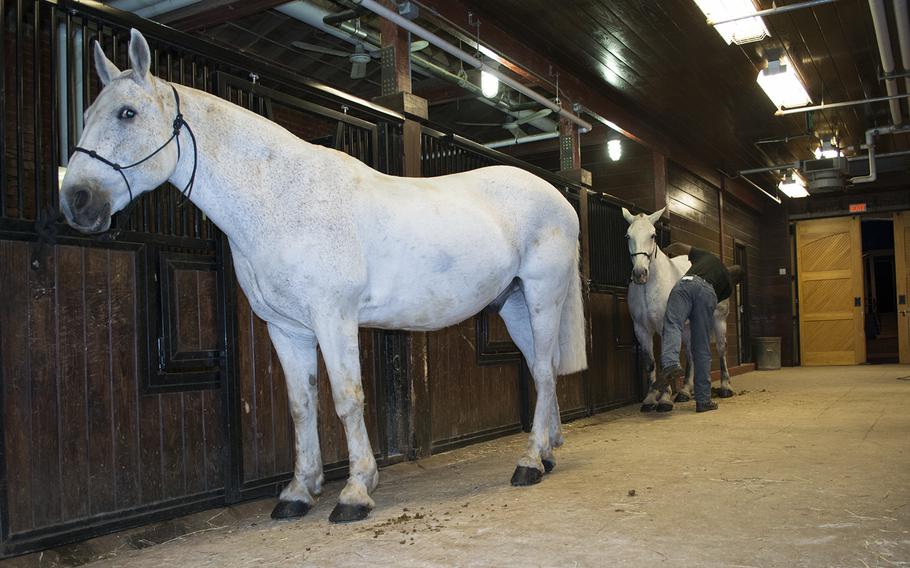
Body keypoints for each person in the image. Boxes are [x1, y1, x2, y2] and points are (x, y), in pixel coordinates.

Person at [655, 244, 742, 413]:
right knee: (701, 346)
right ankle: (703, 400)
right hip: (707, 293)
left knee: (673, 324)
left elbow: (680, 246)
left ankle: (671, 363)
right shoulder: (728, 287)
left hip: (684, 285)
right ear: (736, 281)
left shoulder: (707, 256)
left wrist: (664, 253)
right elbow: (713, 300)